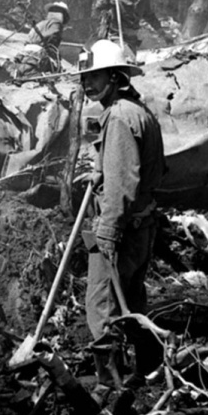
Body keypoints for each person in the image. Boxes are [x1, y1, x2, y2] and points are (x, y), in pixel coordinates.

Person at [78, 39, 165, 390]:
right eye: (85, 76)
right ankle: (148, 368)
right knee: (132, 299)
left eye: (95, 76)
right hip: (142, 225)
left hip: (121, 227)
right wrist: (101, 172)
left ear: (116, 76)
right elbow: (148, 171)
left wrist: (107, 231)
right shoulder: (140, 111)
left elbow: (122, 186)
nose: (88, 84)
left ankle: (110, 383)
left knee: (101, 305)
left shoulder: (117, 117)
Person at [94, 0, 173, 54]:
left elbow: (150, 17)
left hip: (131, 40)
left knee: (132, 62)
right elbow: (99, 7)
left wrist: (162, 33)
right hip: (116, 38)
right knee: (123, 59)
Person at [25, 1, 70, 72]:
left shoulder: (41, 23)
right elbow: (52, 41)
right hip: (40, 54)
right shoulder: (56, 24)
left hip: (27, 52)